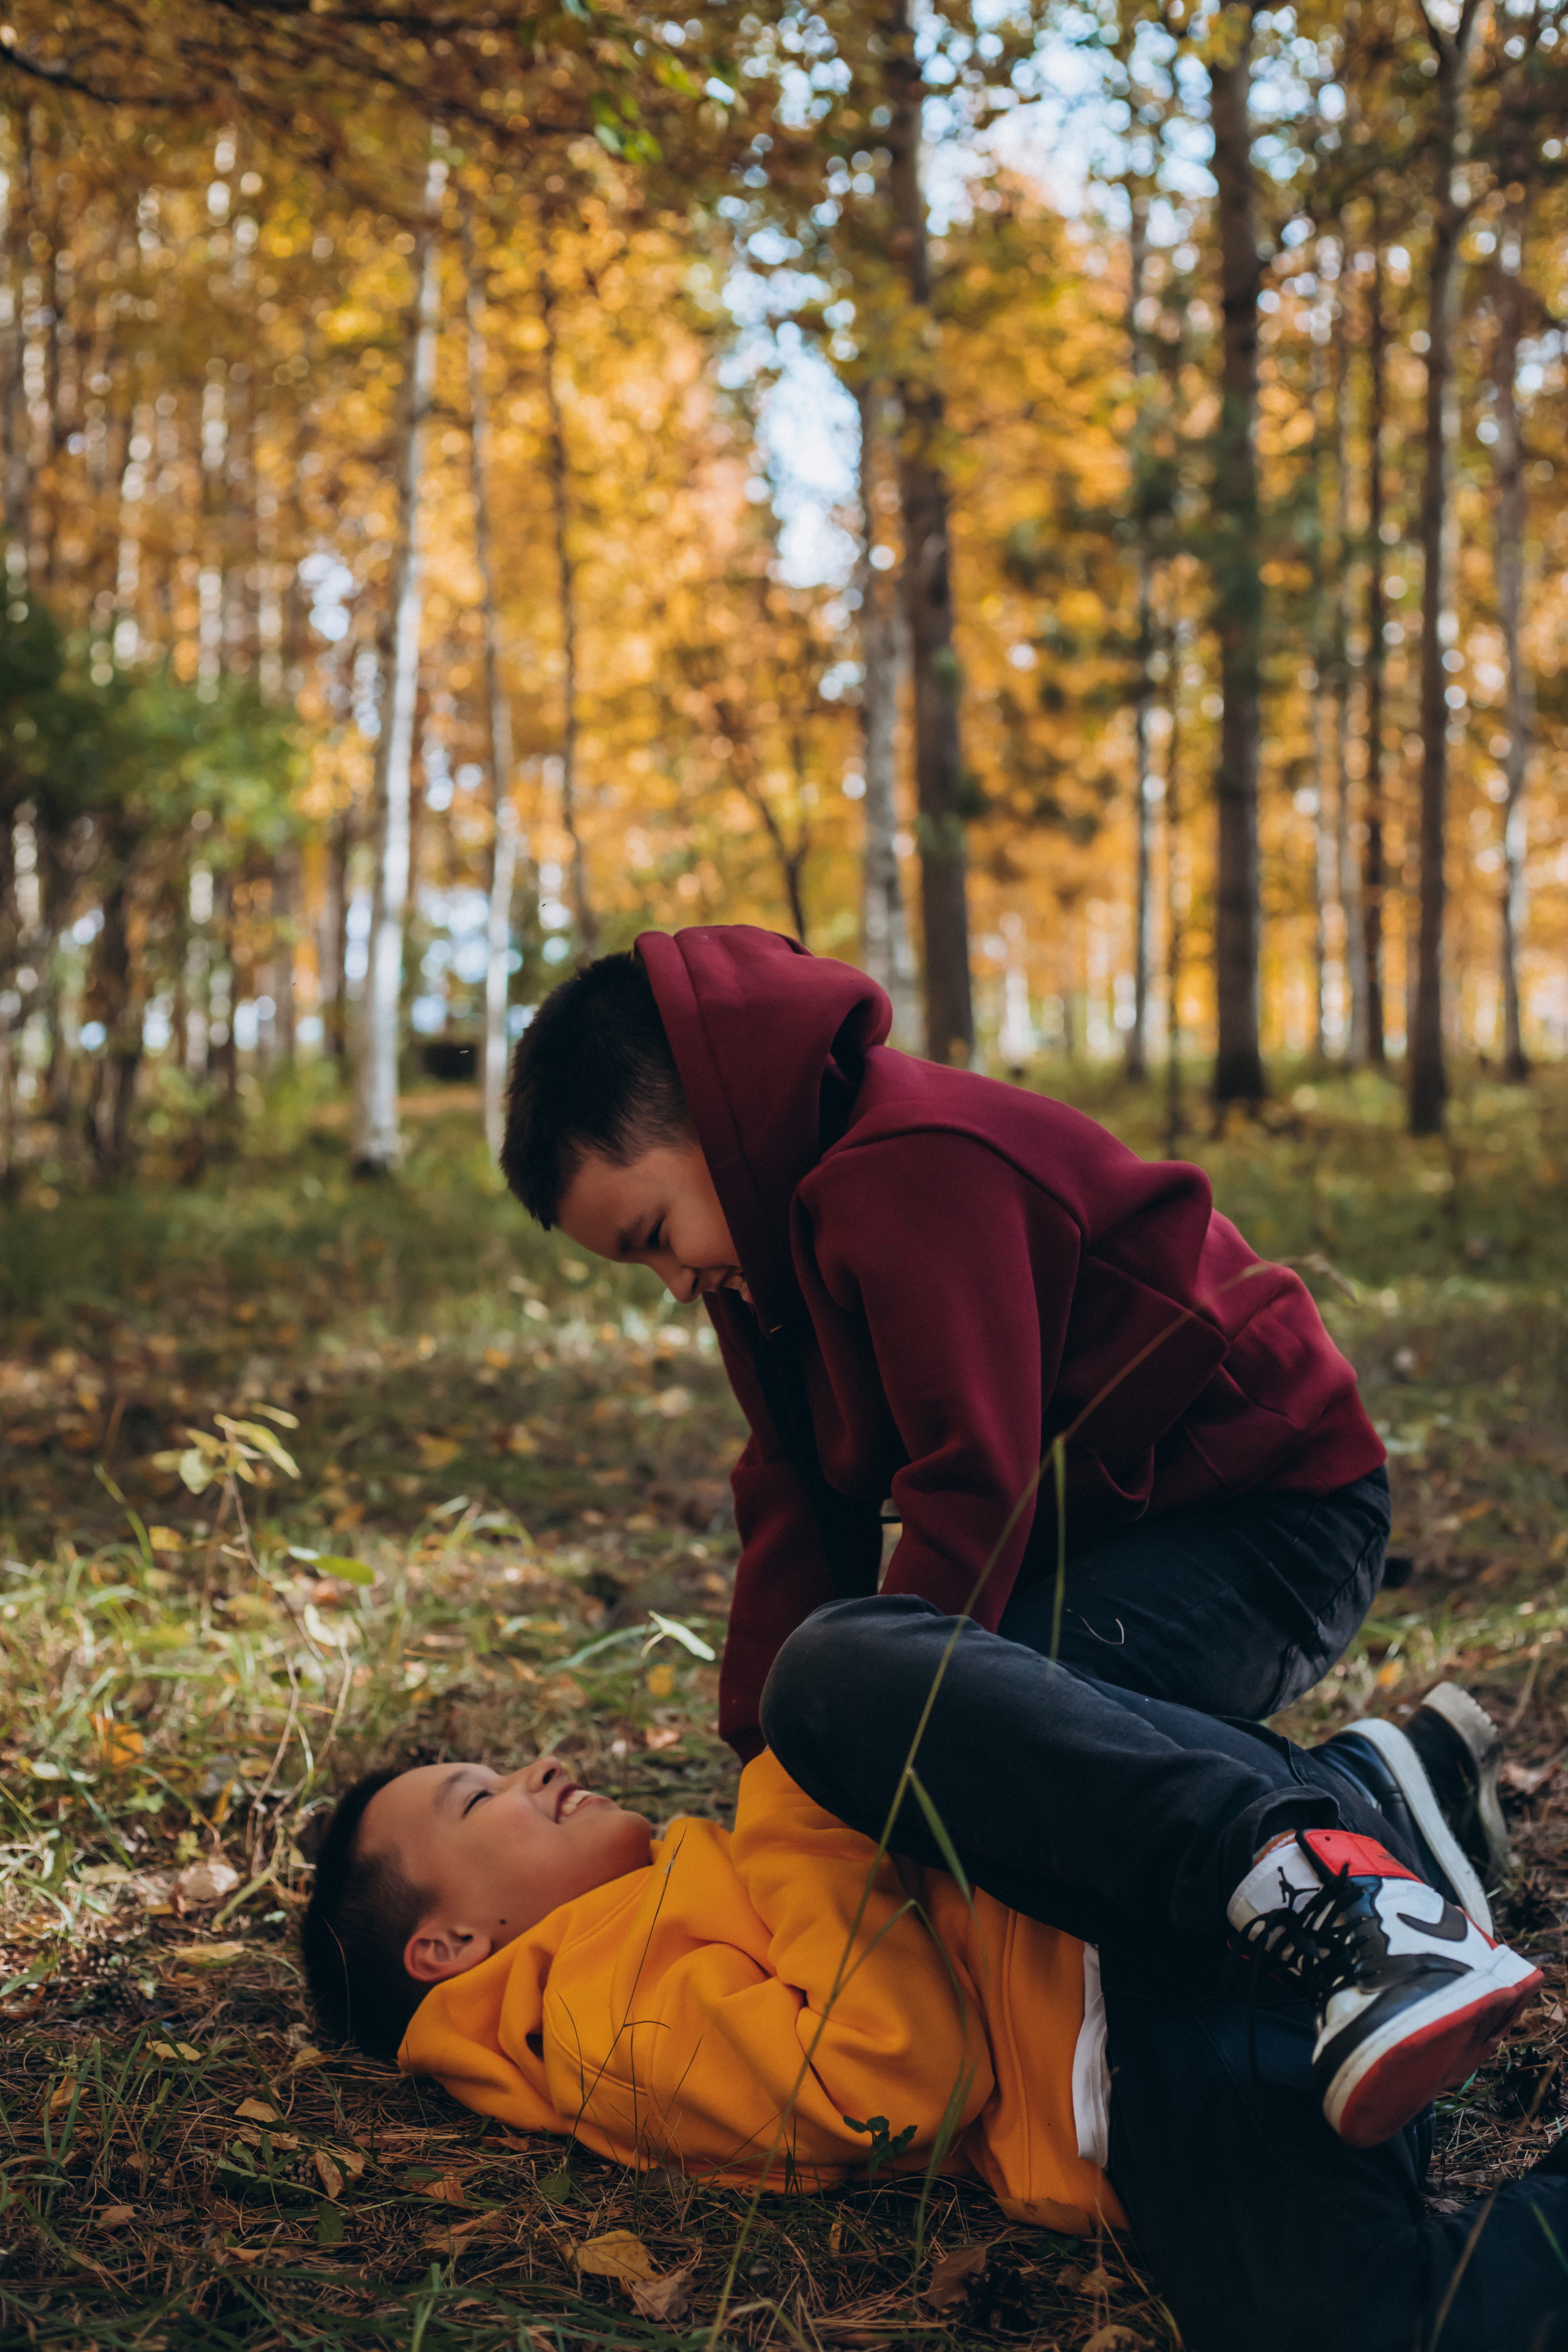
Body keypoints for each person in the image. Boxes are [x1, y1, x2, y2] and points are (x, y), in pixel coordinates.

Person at [300, 1640, 1557, 2351]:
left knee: (834, 1671)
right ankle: (1371, 1817)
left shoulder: (649, 1918)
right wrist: (801, 1808)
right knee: (1350, 2326)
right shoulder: (588, 2019)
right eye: (482, 1798)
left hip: (1147, 1931)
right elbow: (895, 2072)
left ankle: (1348, 1851)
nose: (541, 1770)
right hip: (1127, 2006)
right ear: (449, 1944)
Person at [499, 927, 1391, 1763]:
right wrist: (772, 1759)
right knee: (911, 1739)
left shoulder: (915, 1169)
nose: (676, 1283)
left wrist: (881, 1705)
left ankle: (1356, 1811)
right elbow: (795, 1493)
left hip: (1279, 1513)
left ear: (721, 1114)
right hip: (1108, 1535)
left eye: (656, 1232)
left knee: (981, 1739)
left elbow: (973, 1484)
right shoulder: (750, 1262)